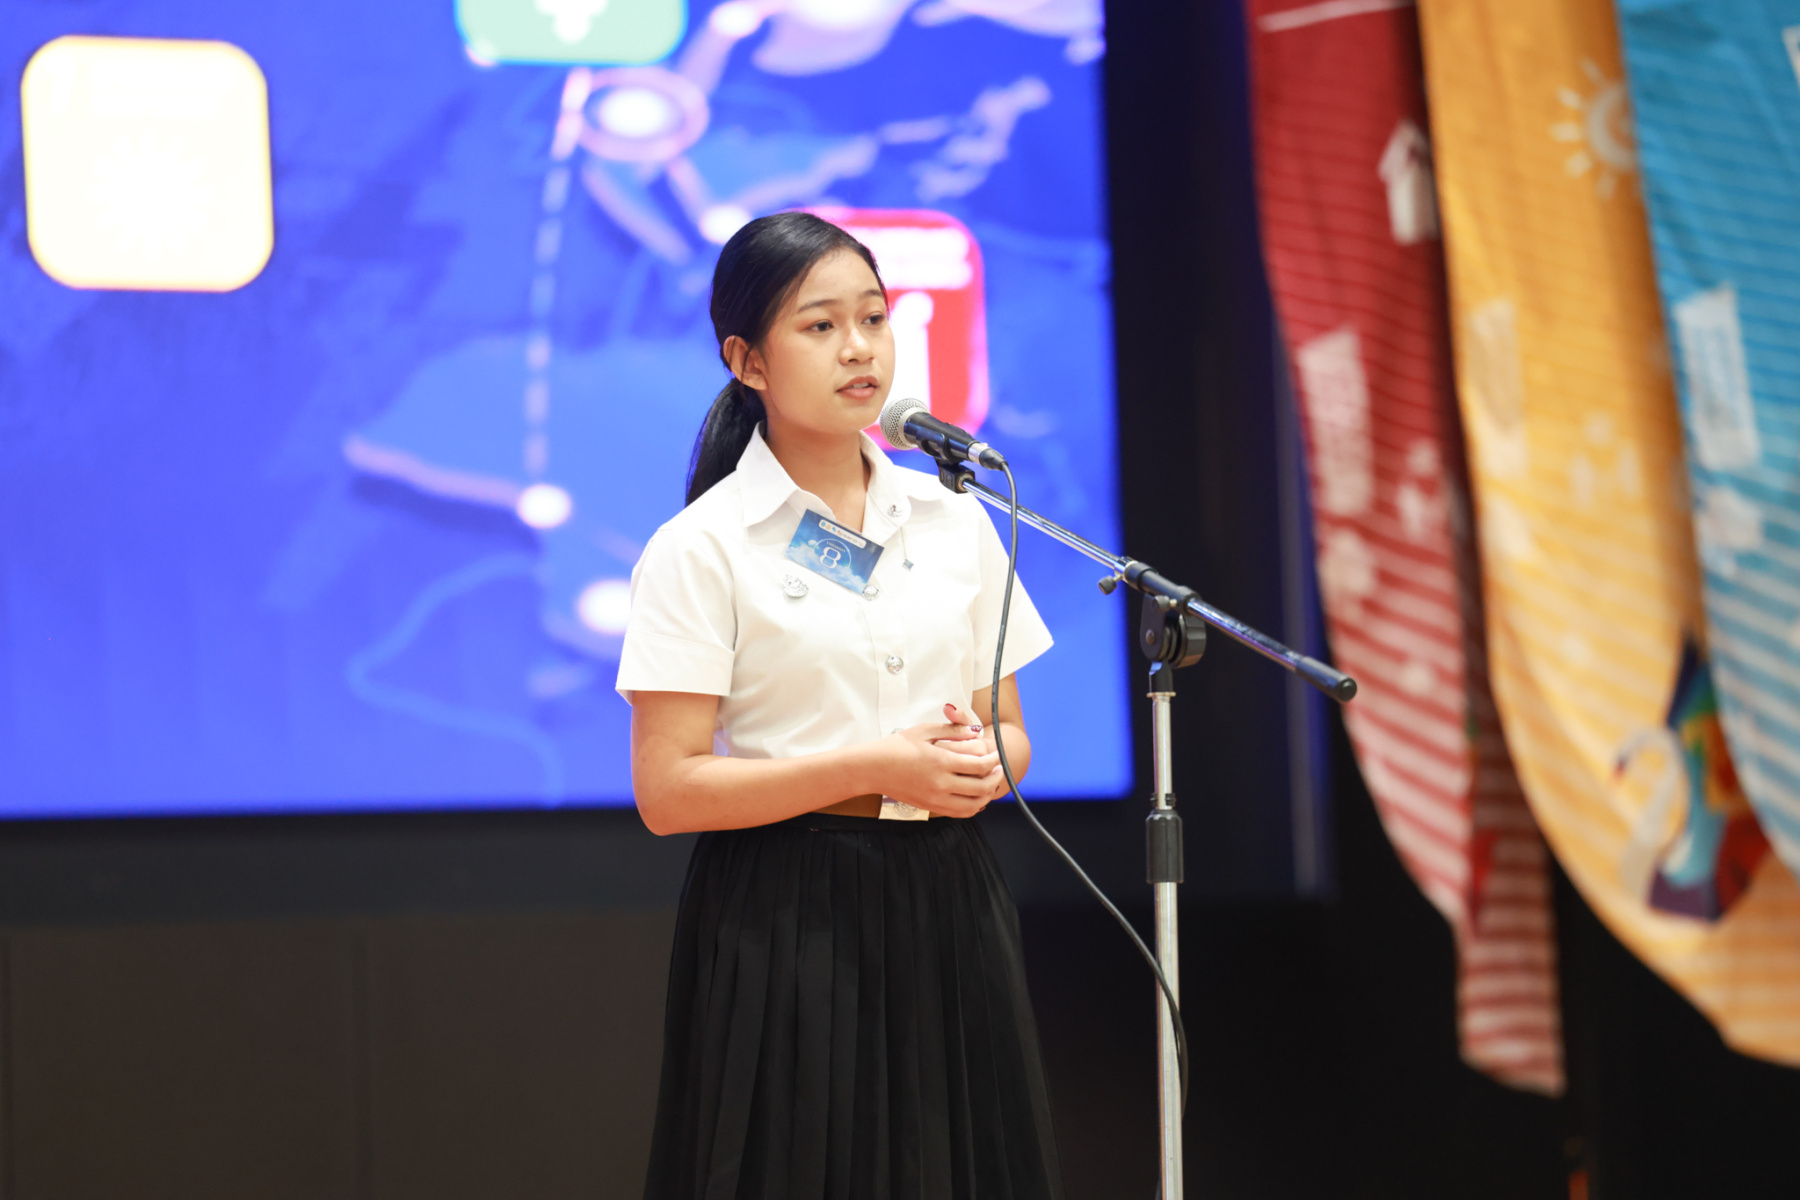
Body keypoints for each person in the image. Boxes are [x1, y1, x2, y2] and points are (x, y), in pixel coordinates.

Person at [618, 211, 1063, 1200]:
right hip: (788, 908)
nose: (859, 348)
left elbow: (1010, 729)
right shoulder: (703, 547)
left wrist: (985, 766)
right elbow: (668, 790)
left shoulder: (955, 520)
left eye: (874, 317)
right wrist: (874, 766)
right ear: (747, 361)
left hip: (950, 894)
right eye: (820, 326)